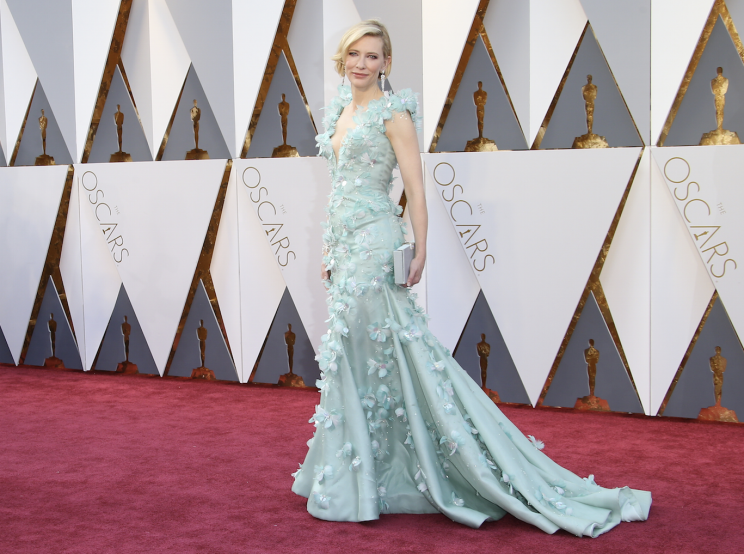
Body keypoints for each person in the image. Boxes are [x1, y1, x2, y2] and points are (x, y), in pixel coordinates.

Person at [291, 19, 650, 536]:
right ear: (343, 59)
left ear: (386, 63)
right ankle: (363, 473)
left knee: (389, 348)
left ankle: (415, 468)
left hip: (376, 245)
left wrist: (419, 249)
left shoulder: (395, 116)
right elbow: (341, 188)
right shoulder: (341, 111)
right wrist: (329, 244)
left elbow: (415, 188)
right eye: (354, 54)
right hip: (345, 247)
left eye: (372, 56)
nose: (361, 63)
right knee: (354, 353)